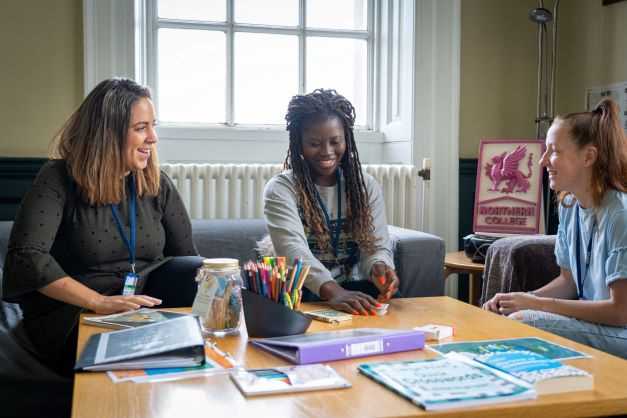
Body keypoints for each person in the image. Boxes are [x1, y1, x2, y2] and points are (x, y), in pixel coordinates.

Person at [2, 78, 204, 375]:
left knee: (195, 270)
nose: (153, 138)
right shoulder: (57, 178)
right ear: (107, 134)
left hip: (143, 302)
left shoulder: (158, 184)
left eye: (153, 125)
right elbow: (27, 257)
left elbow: (188, 259)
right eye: (140, 128)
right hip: (77, 308)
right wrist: (99, 301)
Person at [483, 98, 627, 359]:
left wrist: (537, 305)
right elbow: (568, 282)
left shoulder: (620, 216)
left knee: (526, 322)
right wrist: (518, 298)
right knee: (510, 315)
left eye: (554, 151)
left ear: (589, 156)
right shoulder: (569, 206)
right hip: (595, 324)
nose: (543, 161)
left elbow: (620, 312)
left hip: (620, 331)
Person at [263, 89, 399, 316]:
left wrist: (379, 266)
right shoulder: (281, 189)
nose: (326, 152)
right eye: (314, 143)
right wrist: (334, 292)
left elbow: (374, 245)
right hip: (297, 290)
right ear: (298, 143)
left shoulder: (365, 186)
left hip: (351, 287)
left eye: (335, 141)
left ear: (347, 139)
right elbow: (294, 252)